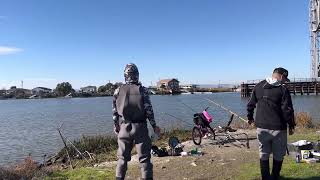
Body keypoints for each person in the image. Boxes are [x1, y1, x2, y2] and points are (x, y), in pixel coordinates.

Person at [112, 63, 161, 180]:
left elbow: (114, 113)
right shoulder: (142, 90)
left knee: (122, 159)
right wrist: (154, 126)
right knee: (144, 160)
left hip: (124, 127)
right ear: (137, 75)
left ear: (125, 75)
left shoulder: (117, 90)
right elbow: (149, 111)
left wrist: (116, 126)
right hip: (140, 128)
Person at [247, 67, 295, 180]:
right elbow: (287, 110)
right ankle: (274, 177)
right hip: (278, 129)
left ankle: (265, 178)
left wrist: (250, 118)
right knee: (278, 155)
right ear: (282, 76)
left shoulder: (258, 86)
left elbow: (250, 104)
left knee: (263, 154)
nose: (285, 82)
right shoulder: (283, 90)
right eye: (285, 79)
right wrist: (291, 125)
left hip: (261, 128)